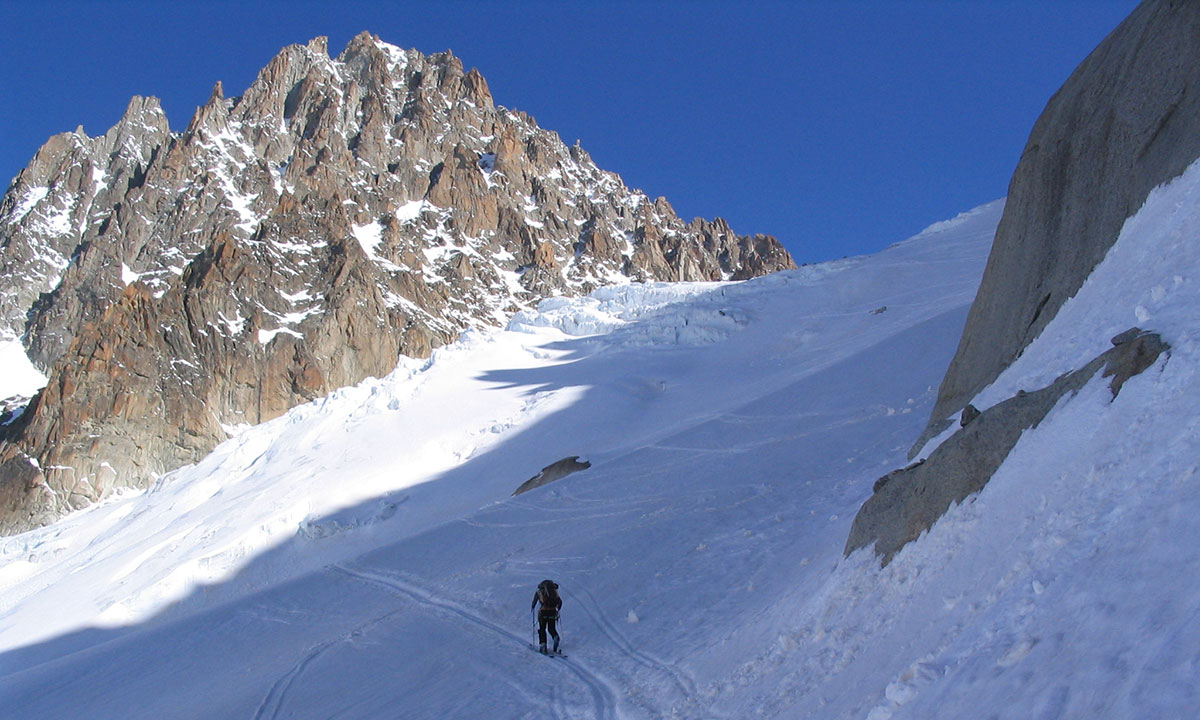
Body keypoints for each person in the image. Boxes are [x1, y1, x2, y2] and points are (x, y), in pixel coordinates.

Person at [531, 579, 562, 654]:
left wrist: (532, 608)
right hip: (553, 612)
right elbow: (560, 602)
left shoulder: (539, 592)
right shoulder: (554, 592)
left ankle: (543, 645)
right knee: (551, 628)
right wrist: (557, 609)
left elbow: (534, 602)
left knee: (542, 629)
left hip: (543, 612)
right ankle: (555, 637)